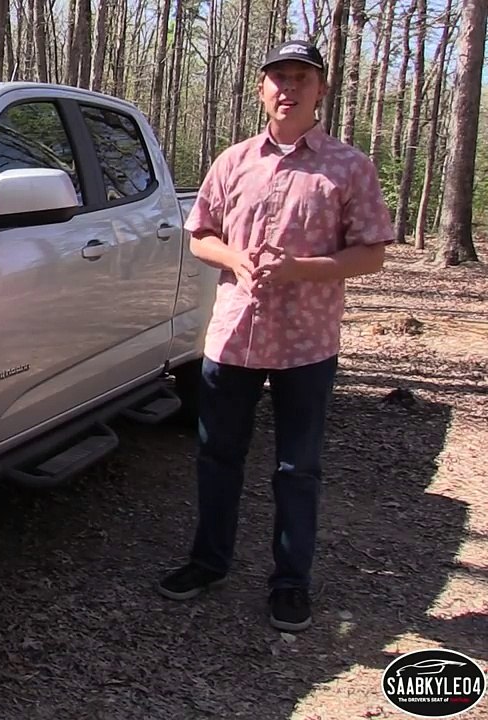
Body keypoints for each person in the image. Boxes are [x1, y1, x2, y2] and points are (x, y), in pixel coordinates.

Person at [156, 40, 395, 632]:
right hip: (233, 335)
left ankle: (290, 583)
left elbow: (372, 254)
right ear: (262, 89)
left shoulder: (347, 166)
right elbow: (199, 236)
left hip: (306, 342)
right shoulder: (233, 160)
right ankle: (208, 562)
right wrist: (236, 261)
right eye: (278, 77)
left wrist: (301, 269)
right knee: (217, 455)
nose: (288, 87)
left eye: (301, 78)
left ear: (321, 91)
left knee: (297, 468)